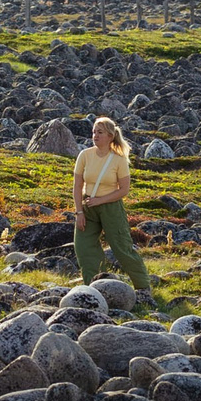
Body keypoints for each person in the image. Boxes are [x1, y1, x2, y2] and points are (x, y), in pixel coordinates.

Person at [73, 115, 151, 297]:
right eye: (94, 132)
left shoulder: (118, 159)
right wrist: (79, 212)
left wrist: (100, 201)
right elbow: (77, 186)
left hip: (111, 208)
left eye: (99, 132)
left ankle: (143, 287)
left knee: (121, 247)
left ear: (110, 136)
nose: (95, 135)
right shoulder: (84, 155)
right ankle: (95, 287)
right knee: (83, 247)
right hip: (87, 207)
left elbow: (124, 190)